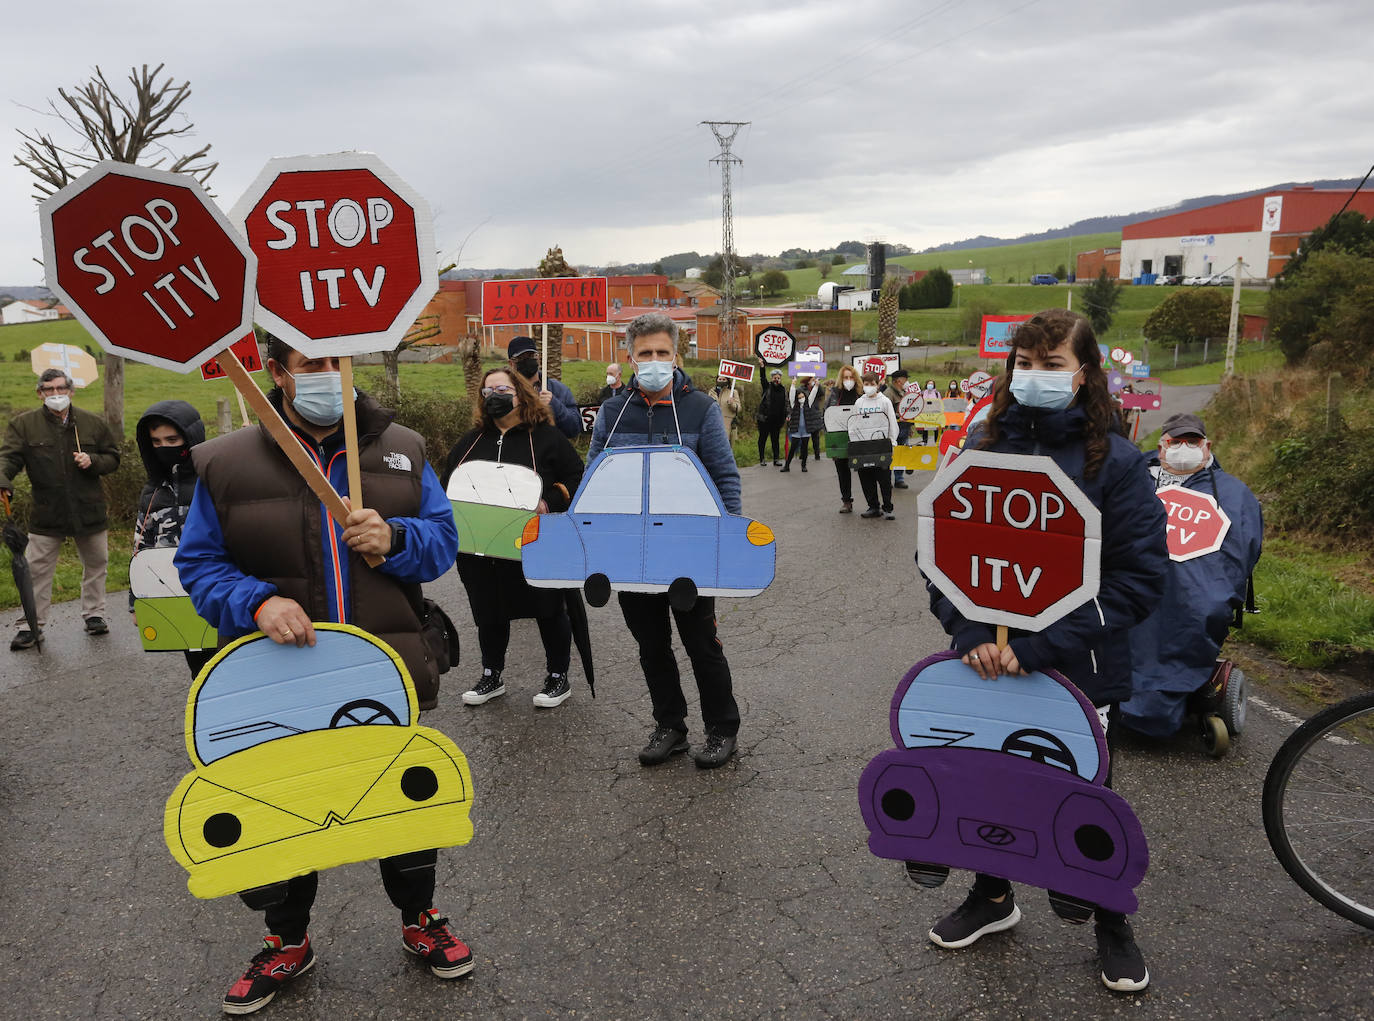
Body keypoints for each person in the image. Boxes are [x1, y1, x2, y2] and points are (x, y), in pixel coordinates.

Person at [175, 334, 467, 1015]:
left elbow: (444, 541)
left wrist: (396, 540)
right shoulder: (226, 464)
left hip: (381, 674)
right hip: (280, 686)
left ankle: (420, 918)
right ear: (277, 373)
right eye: (312, 366)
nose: (329, 378)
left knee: (399, 804)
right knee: (285, 814)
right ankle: (287, 939)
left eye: (339, 362)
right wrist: (257, 600)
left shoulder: (404, 449)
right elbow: (198, 565)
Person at [920, 308, 1167, 994]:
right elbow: (936, 549)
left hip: (1077, 670)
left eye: (1051, 364)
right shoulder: (980, 444)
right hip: (983, 664)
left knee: (1086, 799)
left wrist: (1040, 647)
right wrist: (967, 630)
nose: (1034, 376)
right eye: (1023, 363)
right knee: (988, 783)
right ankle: (993, 894)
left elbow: (1140, 580)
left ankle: (1112, 921)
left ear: (1083, 374)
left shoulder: (1116, 464)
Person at [590, 312, 742, 769]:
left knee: (702, 644)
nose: (654, 361)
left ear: (676, 355)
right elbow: (593, 479)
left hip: (691, 553)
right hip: (630, 555)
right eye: (644, 354)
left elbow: (725, 475)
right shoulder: (613, 412)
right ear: (631, 358)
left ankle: (722, 728)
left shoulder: (701, 409)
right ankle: (670, 725)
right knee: (651, 646)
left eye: (662, 352)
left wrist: (729, 538)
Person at [442, 367, 586, 709]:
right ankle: (492, 674)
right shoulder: (470, 441)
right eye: (488, 391)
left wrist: (549, 501)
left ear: (520, 394)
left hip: (534, 542)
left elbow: (576, 475)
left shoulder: (548, 438)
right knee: (489, 610)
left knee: (548, 609)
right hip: (481, 549)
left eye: (502, 389)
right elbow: (448, 484)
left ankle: (557, 677)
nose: (495, 396)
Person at [1121, 413, 1263, 737]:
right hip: (1136, 577)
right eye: (1176, 441)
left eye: (1192, 441)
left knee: (1201, 607)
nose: (1184, 447)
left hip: (1198, 585)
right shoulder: (1131, 479)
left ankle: (1160, 697)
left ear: (1206, 446)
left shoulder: (1233, 494)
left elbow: (1242, 550)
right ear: (1161, 446)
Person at [0, 368, 120, 649]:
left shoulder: (93, 423)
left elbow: (113, 457)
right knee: (35, 569)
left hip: (88, 508)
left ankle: (95, 615)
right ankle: (31, 625)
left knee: (97, 564)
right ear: (39, 393)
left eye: (60, 389)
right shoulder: (24, 425)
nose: (55, 395)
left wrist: (93, 461)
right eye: (48, 390)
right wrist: (2, 480)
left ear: (71, 390)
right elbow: (8, 459)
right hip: (47, 511)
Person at [131, 399, 211, 677]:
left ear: (190, 437)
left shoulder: (213, 479)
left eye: (172, 439)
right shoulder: (153, 490)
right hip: (175, 592)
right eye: (156, 441)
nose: (164, 447)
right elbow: (141, 546)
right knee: (198, 667)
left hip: (216, 588)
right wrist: (136, 601)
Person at [507, 336, 582, 438]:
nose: (527, 360)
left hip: (550, 451)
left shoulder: (558, 389)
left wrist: (554, 404)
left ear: (538, 358)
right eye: (521, 358)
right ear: (511, 363)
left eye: (531, 356)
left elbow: (574, 428)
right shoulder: (504, 390)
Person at [851, 371, 898, 520]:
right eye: (866, 384)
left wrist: (892, 441)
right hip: (863, 446)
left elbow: (892, 422)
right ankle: (873, 507)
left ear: (878, 385)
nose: (869, 387)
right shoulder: (859, 402)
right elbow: (854, 424)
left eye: (872, 384)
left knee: (884, 479)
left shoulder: (884, 401)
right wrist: (854, 443)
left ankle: (888, 508)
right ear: (862, 385)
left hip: (881, 445)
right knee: (866, 478)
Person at [825, 365, 861, 513]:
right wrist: (831, 442)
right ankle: (846, 501)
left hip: (859, 436)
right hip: (840, 437)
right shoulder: (834, 393)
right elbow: (827, 416)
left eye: (851, 377)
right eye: (845, 377)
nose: (848, 380)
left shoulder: (861, 393)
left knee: (865, 470)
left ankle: (873, 504)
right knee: (843, 471)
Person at [781, 374, 822, 473]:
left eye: (803, 395)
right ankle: (787, 466)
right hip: (796, 430)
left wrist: (816, 385)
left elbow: (813, 394)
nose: (801, 397)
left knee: (805, 449)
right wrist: (793, 384)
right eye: (799, 395)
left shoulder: (809, 403)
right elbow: (791, 394)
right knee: (793, 448)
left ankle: (803, 465)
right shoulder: (793, 405)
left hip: (806, 430)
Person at [883, 368, 912, 488]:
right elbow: (886, 412)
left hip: (904, 429)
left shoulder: (903, 393)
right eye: (905, 379)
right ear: (899, 381)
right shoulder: (888, 394)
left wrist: (910, 428)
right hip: (893, 431)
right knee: (891, 455)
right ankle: (887, 480)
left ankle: (899, 479)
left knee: (901, 455)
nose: (907, 382)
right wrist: (898, 416)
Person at [755, 366, 787, 466]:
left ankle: (776, 459)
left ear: (780, 379)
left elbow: (786, 403)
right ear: (771, 378)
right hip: (765, 419)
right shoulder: (767, 387)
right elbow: (762, 378)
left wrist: (786, 415)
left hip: (777, 421)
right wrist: (762, 367)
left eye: (778, 378)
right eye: (774, 377)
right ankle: (762, 459)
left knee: (775, 440)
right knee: (762, 439)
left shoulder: (783, 389)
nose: (776, 379)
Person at [710, 375, 742, 444]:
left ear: (728, 380)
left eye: (724, 379)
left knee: (725, 445)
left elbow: (738, 408)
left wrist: (732, 404)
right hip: (714, 422)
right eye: (720, 379)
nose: (721, 381)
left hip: (727, 424)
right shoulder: (712, 391)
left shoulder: (733, 392)